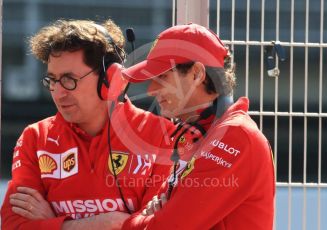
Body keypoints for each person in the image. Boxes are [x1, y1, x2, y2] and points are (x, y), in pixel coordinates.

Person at [0, 19, 176, 230]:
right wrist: (95, 224)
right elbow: (14, 224)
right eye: (52, 80)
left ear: (110, 79)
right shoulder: (35, 137)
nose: (58, 92)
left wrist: (50, 222)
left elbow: (157, 225)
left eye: (69, 79)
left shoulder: (161, 135)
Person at [120, 23, 275, 229]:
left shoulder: (234, 136)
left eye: (162, 77)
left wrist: (128, 223)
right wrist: (152, 218)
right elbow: (159, 217)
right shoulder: (197, 132)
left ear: (196, 74)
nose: (151, 90)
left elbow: (168, 226)